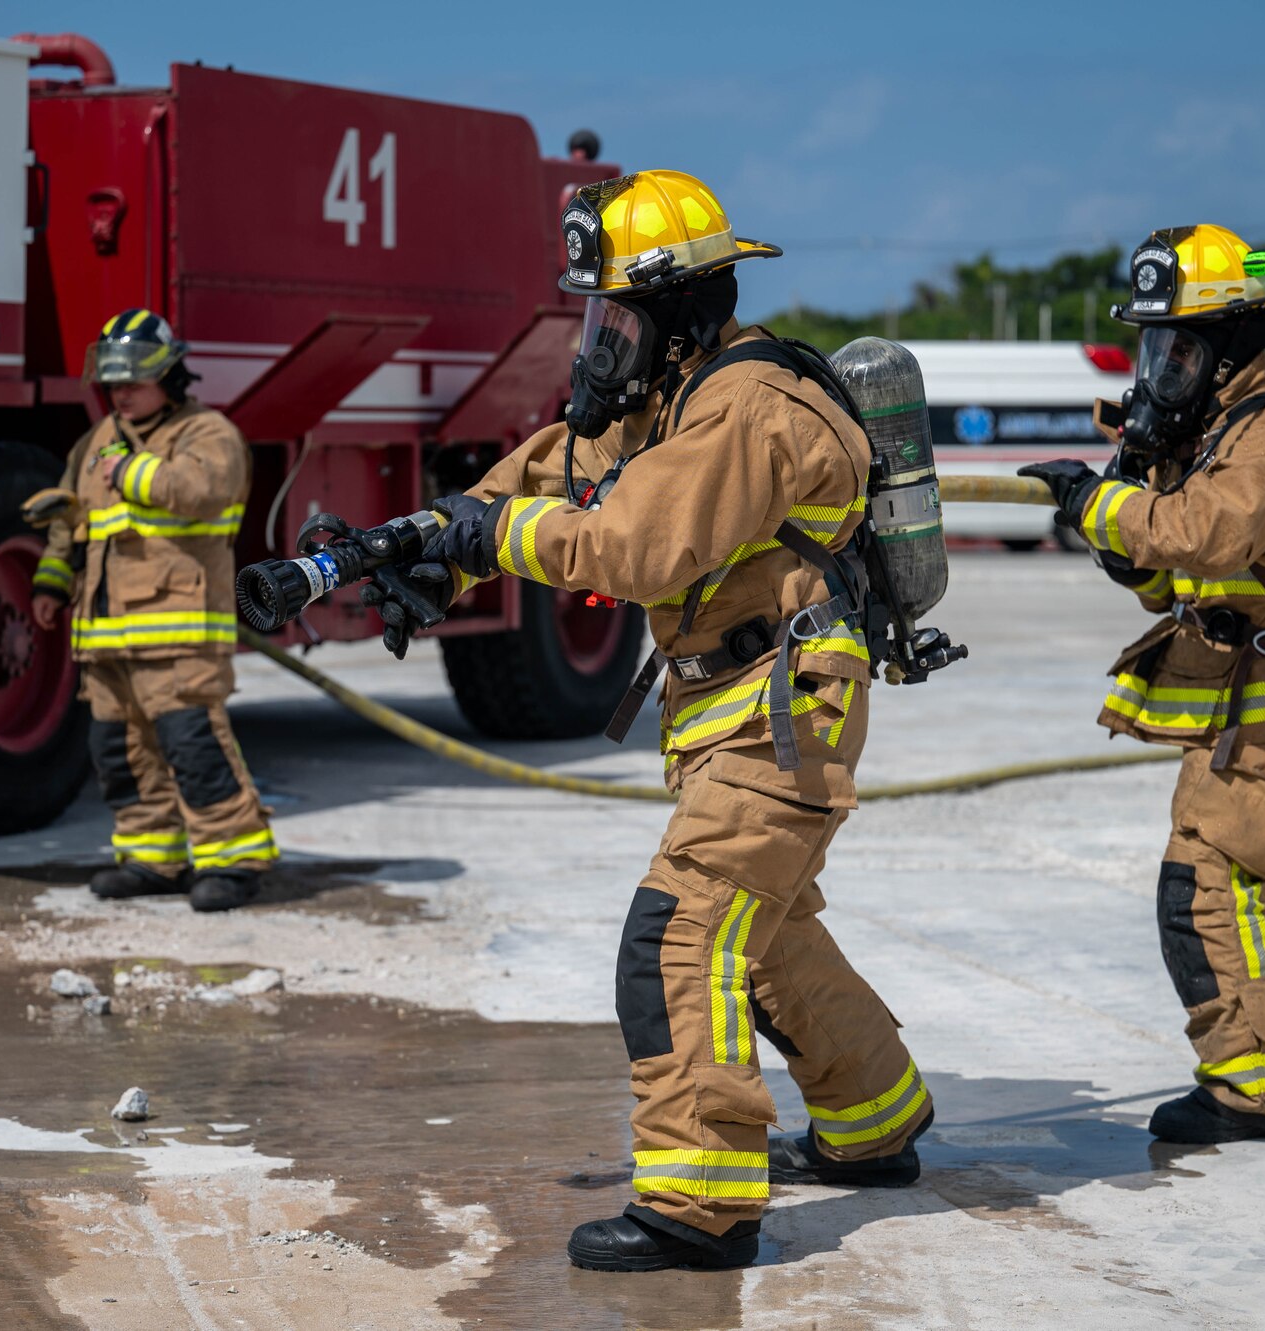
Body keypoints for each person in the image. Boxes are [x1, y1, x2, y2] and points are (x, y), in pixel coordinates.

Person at [366, 171, 934, 1272]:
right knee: (762, 941)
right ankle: (874, 1121)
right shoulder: (676, 400)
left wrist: (488, 543)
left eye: (616, 316)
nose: (599, 342)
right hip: (733, 709)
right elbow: (548, 470)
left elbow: (633, 546)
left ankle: (700, 1204)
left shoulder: (746, 408)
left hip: (784, 706)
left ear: (683, 307)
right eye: (595, 316)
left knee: (676, 937)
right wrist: (429, 546)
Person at [1019, 225, 1265, 1145]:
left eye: (1180, 349)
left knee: (1205, 880)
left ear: (1233, 348)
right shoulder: (1220, 437)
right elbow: (1183, 578)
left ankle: (1253, 1082)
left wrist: (1093, 503)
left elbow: (1207, 536)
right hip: (1257, 698)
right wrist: (1124, 534)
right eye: (1155, 347)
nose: (1161, 370)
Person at [25, 309, 277, 913]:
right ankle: (151, 858)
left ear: (169, 377)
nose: (121, 394)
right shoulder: (95, 444)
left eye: (133, 382)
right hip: (106, 635)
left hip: (180, 629)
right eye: (114, 384)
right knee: (119, 751)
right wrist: (51, 584)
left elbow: (202, 491)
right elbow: (74, 522)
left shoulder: (205, 433)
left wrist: (129, 471)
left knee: (193, 744)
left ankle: (233, 861)